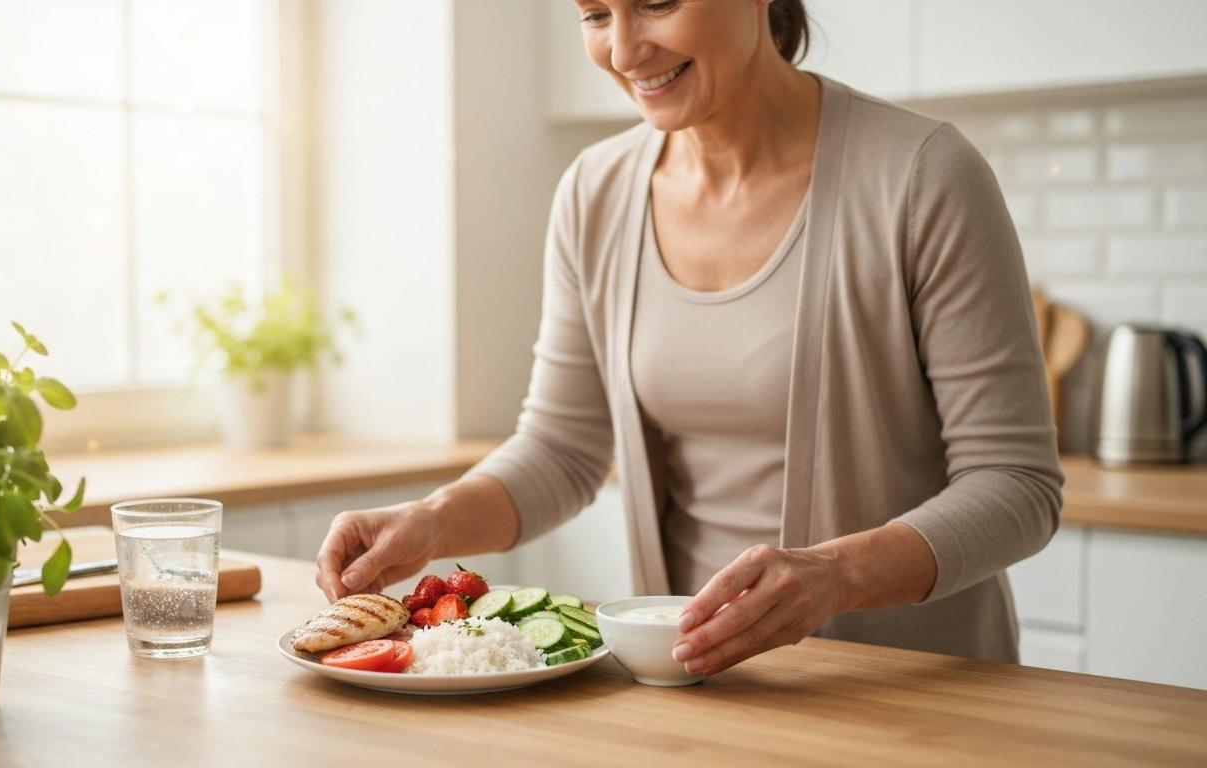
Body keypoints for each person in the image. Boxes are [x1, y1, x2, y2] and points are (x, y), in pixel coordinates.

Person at [316, 0, 1063, 675]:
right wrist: (431, 520)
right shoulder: (595, 193)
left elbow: (1016, 484)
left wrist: (835, 577)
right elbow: (563, 448)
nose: (625, 48)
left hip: (915, 695)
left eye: (656, 4)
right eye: (595, 13)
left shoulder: (924, 175)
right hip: (700, 687)